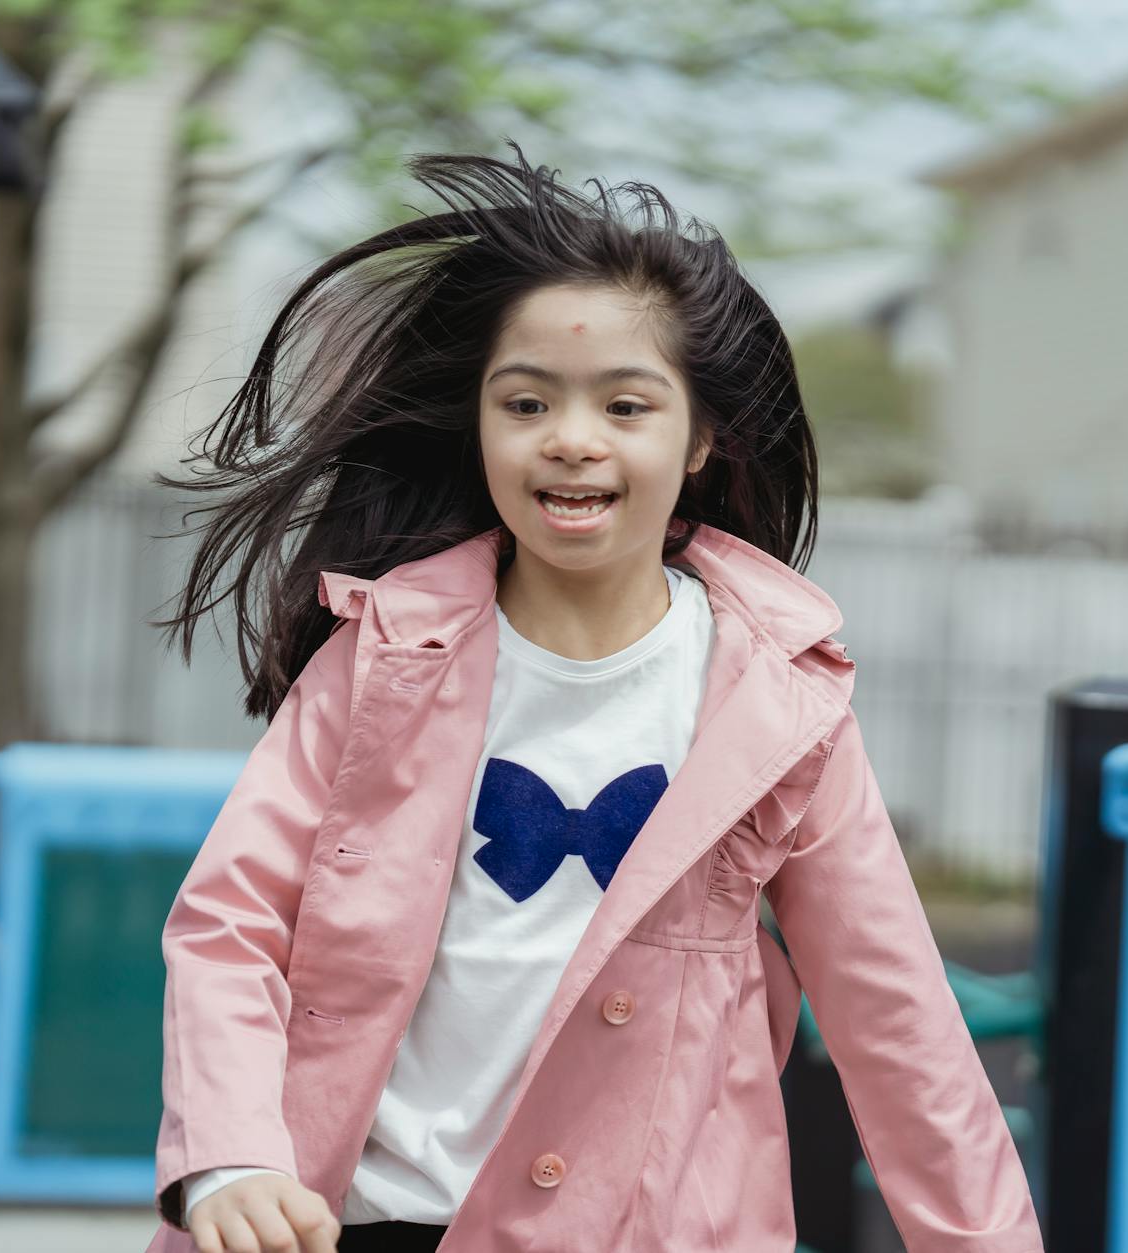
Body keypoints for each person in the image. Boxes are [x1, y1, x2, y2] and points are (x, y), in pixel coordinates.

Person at [142, 147, 1041, 1253]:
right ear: (479, 425)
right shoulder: (381, 657)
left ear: (701, 438)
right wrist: (233, 1152)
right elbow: (230, 922)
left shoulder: (779, 704)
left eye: (625, 403)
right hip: (369, 1217)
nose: (572, 436)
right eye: (527, 401)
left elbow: (893, 1015)